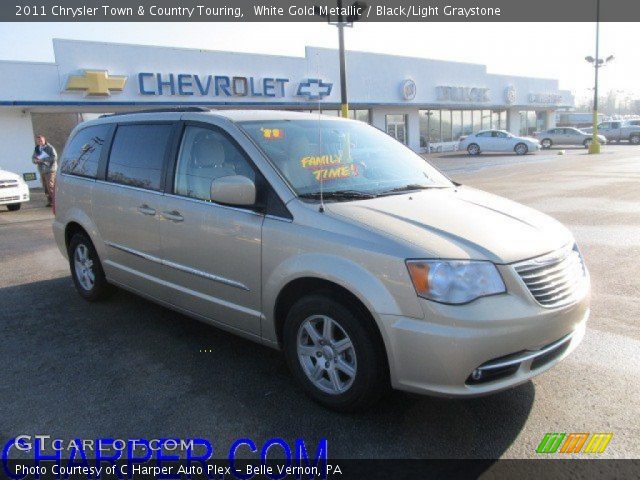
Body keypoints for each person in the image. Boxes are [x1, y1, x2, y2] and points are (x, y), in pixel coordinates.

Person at [32, 134, 58, 207]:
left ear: (44, 140)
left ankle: (55, 202)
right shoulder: (37, 149)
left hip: (50, 170)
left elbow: (54, 157)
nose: (40, 142)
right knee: (45, 187)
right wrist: (35, 161)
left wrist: (42, 160)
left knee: (50, 186)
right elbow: (33, 158)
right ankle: (50, 201)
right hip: (42, 170)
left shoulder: (50, 148)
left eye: (41, 140)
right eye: (38, 141)